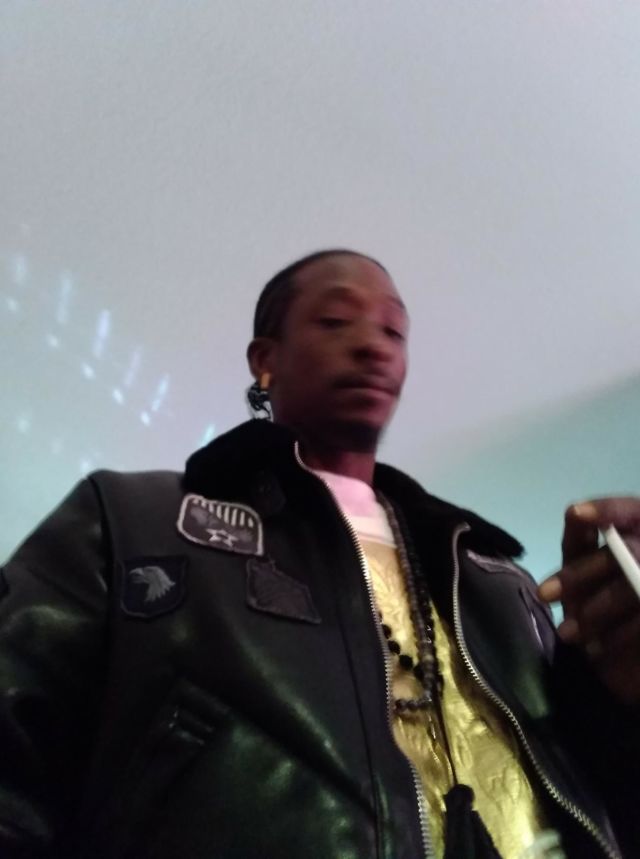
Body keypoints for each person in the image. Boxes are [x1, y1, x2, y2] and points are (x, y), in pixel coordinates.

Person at [1, 249, 639, 859]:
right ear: (265, 360)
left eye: (393, 331)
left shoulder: (495, 577)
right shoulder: (133, 521)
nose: (373, 345)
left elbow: (603, 792)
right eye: (335, 320)